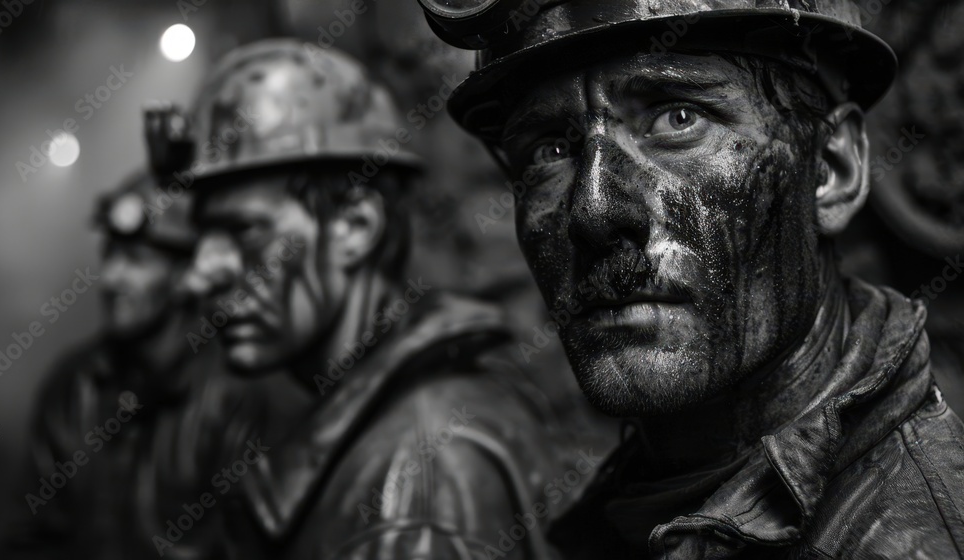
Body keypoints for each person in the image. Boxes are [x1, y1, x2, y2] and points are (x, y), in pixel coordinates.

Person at [417, 0, 964, 557]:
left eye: (677, 118)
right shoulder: (634, 513)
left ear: (830, 169)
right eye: (550, 149)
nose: (593, 210)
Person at [169, 39, 571, 559]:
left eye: (244, 229)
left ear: (354, 227)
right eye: (201, 238)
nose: (199, 276)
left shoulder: (421, 477)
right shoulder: (398, 436)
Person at [14, 172, 265, 560]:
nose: (112, 278)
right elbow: (34, 537)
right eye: (110, 254)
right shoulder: (75, 385)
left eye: (136, 260)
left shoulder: (233, 392)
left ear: (186, 274)